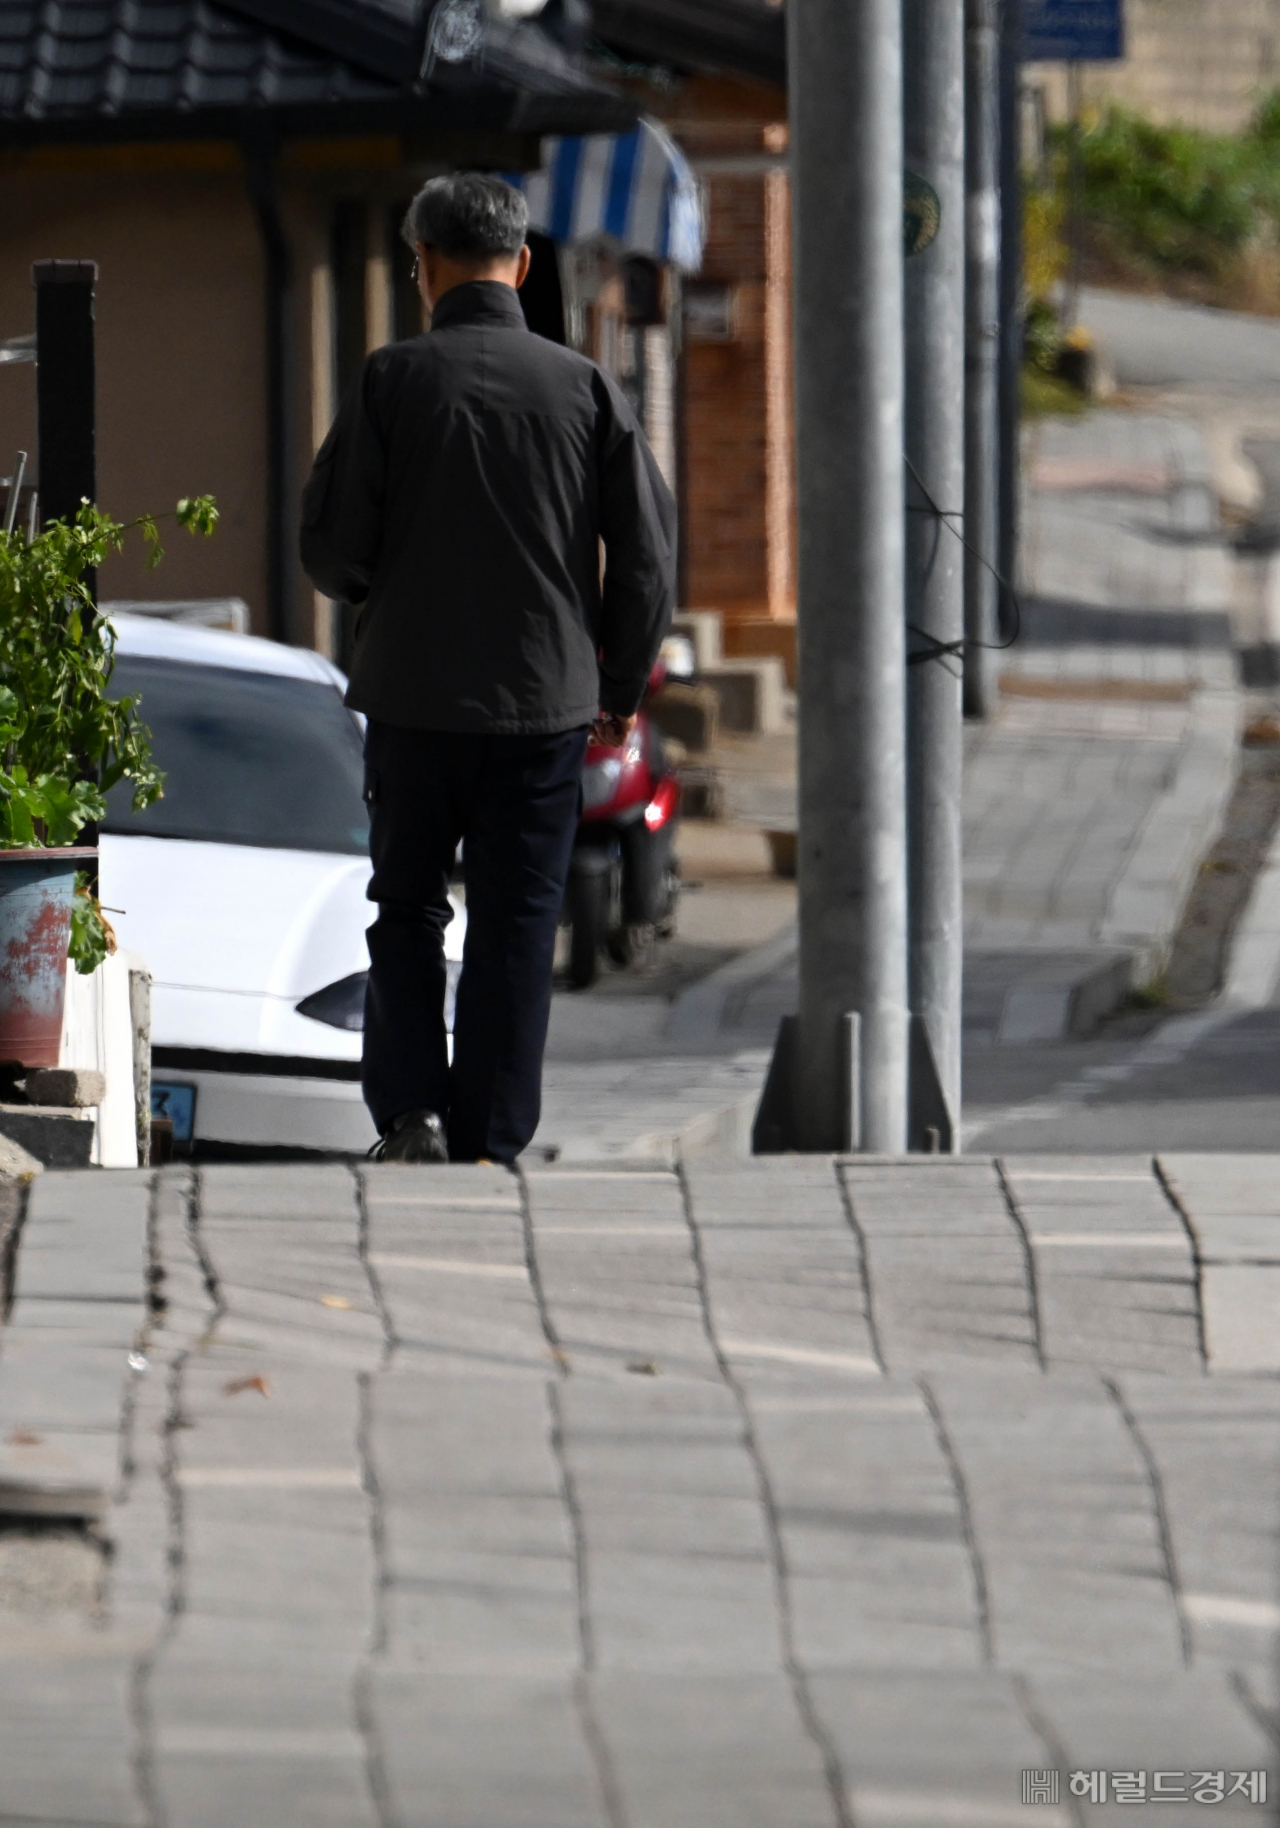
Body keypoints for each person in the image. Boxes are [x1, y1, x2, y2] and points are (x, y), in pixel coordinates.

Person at [300, 172, 676, 1165]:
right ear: (521, 263)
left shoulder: (392, 381)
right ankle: (492, 1136)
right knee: (517, 919)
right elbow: (644, 556)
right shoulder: (586, 387)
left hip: (415, 700)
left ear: (423, 265)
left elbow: (330, 550)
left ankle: (411, 1114)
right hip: (546, 706)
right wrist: (619, 688)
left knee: (409, 905)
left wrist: (394, 579)